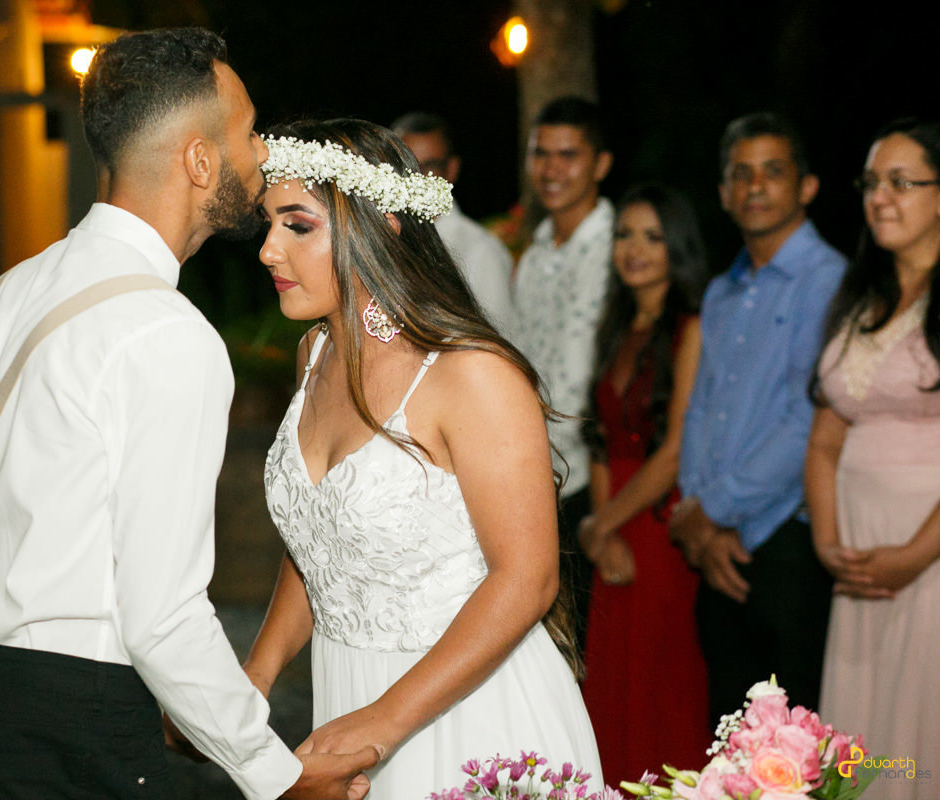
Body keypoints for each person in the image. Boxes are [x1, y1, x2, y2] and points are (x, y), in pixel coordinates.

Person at [0, 29, 377, 800]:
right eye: (250, 131)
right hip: (73, 734)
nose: (263, 153)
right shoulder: (166, 335)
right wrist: (277, 777)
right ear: (198, 160)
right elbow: (162, 616)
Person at [246, 118, 601, 799]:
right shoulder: (314, 355)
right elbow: (322, 540)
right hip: (345, 694)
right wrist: (256, 673)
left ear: (381, 223)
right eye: (268, 225)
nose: (267, 250)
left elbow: (527, 579)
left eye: (297, 226)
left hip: (469, 710)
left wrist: (383, 722)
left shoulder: (471, 375)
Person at [671, 112, 845, 725]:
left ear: (807, 186)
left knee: (794, 751)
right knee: (727, 745)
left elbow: (809, 421)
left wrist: (713, 513)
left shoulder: (830, 281)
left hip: (785, 546)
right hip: (716, 549)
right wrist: (697, 516)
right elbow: (700, 413)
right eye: (740, 174)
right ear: (722, 193)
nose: (755, 186)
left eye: (773, 171)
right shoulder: (722, 291)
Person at [806, 118, 940, 799]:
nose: (880, 197)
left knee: (925, 737)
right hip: (858, 566)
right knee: (864, 745)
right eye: (870, 183)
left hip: (934, 561)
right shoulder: (859, 298)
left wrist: (916, 554)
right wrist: (830, 543)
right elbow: (827, 436)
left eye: (901, 182)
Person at [576, 185, 709, 782]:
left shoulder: (692, 327)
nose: (635, 248)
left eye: (652, 237)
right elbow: (602, 438)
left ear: (677, 247)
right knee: (611, 682)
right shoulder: (617, 327)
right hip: (614, 526)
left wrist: (598, 524)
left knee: (661, 679)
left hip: (660, 525)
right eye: (625, 234)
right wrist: (602, 537)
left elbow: (675, 450)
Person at [512, 96, 615, 646]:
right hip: (538, 472)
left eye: (568, 155)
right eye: (541, 154)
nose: (552, 169)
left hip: (594, 477)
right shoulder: (535, 254)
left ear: (600, 164)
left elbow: (583, 378)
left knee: (589, 645)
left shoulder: (618, 245)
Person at [391, 111, 515, 337]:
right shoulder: (381, 237)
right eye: (406, 166)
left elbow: (500, 342)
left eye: (430, 166)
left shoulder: (480, 250)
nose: (418, 178)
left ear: (452, 169)